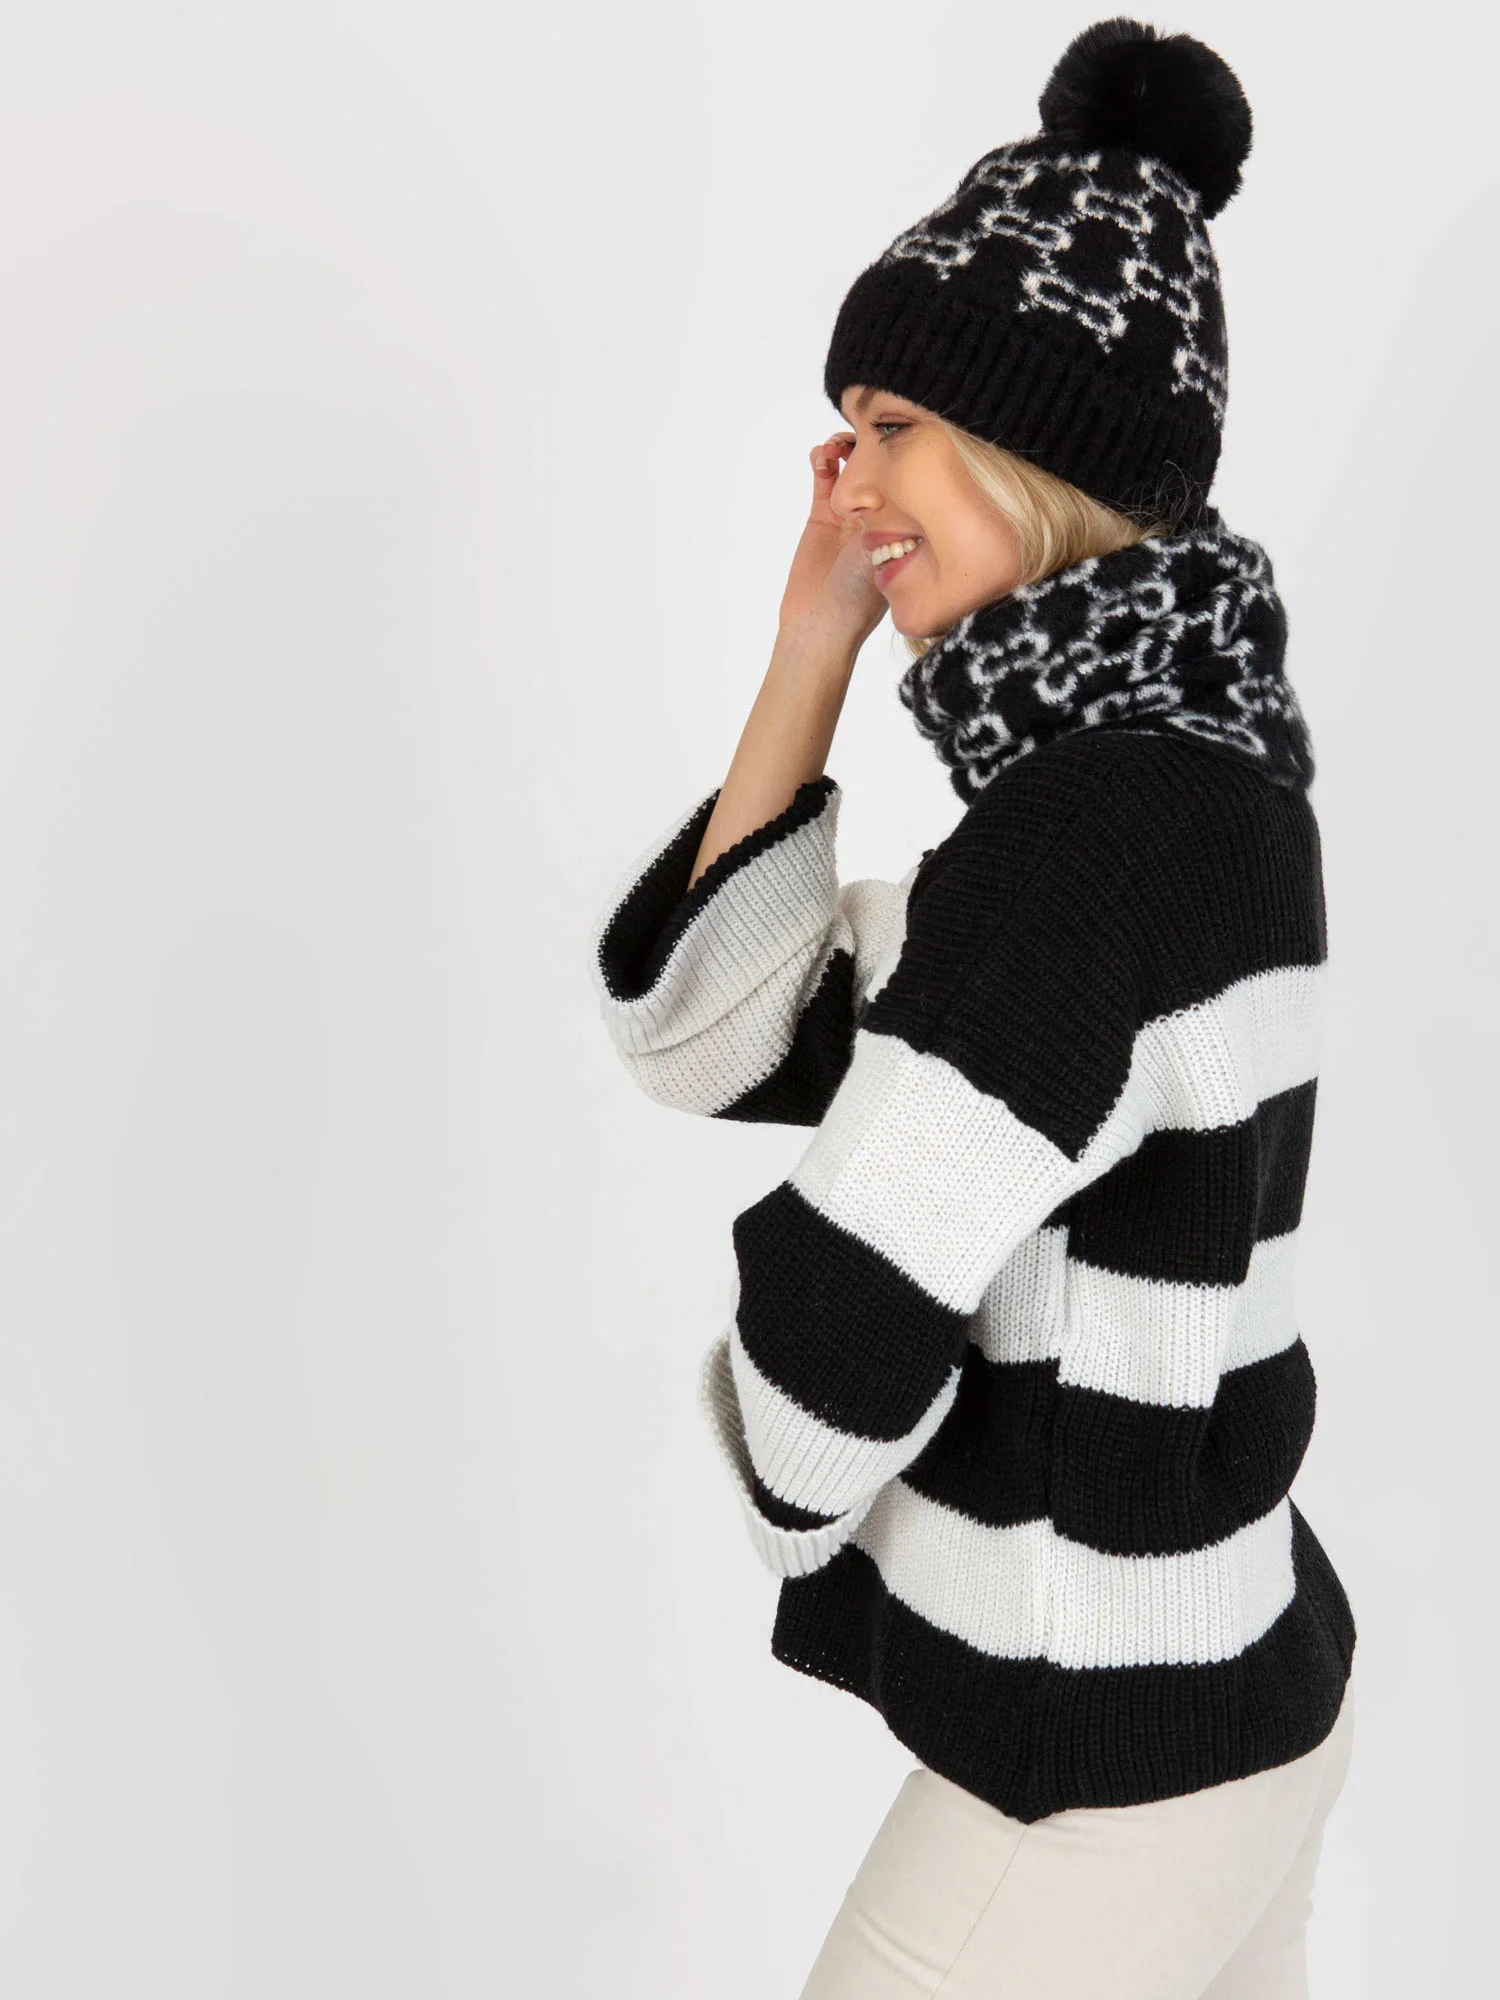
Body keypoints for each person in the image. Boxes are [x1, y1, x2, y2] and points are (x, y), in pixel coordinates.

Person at [587, 18, 1356, 1997]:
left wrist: (780, 1450)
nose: (848, 475)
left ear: (1040, 452)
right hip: (1230, 1687)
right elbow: (722, 1035)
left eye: (897, 423)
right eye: (844, 426)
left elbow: (833, 1349)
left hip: (1095, 1773)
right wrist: (812, 645)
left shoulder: (1086, 837)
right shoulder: (1197, 775)